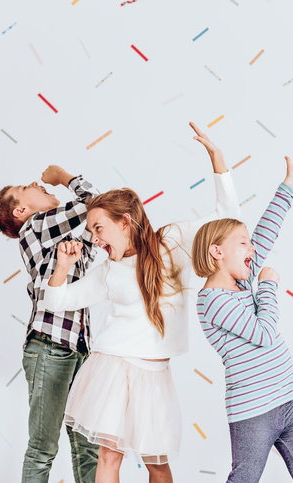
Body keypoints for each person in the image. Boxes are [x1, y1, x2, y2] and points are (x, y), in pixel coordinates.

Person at [41, 123, 239, 483]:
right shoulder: (109, 271)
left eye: (99, 229)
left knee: (158, 465)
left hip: (154, 376)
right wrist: (62, 267)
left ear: (125, 221)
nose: (95, 239)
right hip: (114, 369)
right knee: (108, 459)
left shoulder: (172, 243)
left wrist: (217, 158)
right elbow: (57, 302)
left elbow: (228, 214)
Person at [192, 158, 293, 483]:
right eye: (243, 243)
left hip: (289, 397)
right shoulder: (212, 300)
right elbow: (264, 333)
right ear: (217, 252)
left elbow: (267, 229)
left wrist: (288, 186)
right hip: (253, 410)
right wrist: (268, 284)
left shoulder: (243, 279)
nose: (253, 248)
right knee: (244, 479)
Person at [0, 165, 99, 483]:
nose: (38, 183)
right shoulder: (36, 227)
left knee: (88, 450)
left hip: (78, 348)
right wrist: (64, 177)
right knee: (43, 449)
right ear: (21, 209)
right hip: (49, 347)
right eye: (28, 186)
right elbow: (93, 203)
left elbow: (100, 218)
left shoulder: (63, 242)